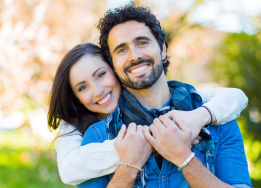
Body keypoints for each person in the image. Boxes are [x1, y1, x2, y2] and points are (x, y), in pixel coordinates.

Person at [77, 4, 252, 188]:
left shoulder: (218, 121)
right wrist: (128, 168)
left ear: (162, 49)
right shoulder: (98, 136)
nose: (134, 56)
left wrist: (184, 158)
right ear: (113, 65)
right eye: (121, 50)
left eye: (142, 43)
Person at [49, 43, 248, 186]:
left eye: (101, 75)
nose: (98, 91)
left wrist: (200, 118)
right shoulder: (85, 133)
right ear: (76, 98)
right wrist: (135, 154)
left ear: (116, 69)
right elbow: (68, 170)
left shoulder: (189, 105)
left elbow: (232, 96)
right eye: (83, 87)